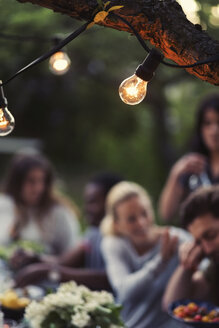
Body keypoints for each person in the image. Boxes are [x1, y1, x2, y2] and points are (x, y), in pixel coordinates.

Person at [101, 181, 191, 328]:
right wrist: (161, 262)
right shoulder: (114, 244)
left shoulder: (178, 239)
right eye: (131, 219)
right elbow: (124, 291)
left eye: (145, 213)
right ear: (117, 224)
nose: (141, 223)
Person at [14, 172, 123, 290]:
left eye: (93, 202)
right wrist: (35, 258)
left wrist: (50, 272)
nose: (86, 208)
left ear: (111, 203)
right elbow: (65, 261)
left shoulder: (122, 237)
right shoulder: (93, 233)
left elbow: (108, 278)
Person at [0, 153, 80, 258]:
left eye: (42, 181)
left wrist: (40, 259)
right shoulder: (5, 205)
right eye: (31, 181)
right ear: (17, 182)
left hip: (46, 271)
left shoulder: (58, 212)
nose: (38, 188)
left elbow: (72, 251)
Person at [159, 94, 219, 223]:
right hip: (197, 240)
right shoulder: (193, 165)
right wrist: (175, 174)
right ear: (200, 128)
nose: (214, 131)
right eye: (207, 123)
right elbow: (166, 213)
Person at [163, 185, 219, 310]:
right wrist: (186, 266)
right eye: (199, 242)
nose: (207, 249)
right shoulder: (215, 264)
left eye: (210, 235)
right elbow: (172, 305)